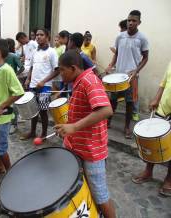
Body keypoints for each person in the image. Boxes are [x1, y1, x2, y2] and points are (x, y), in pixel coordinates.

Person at [55, 50, 116, 218]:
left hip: (91, 151)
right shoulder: (78, 81)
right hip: (77, 146)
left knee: (100, 195)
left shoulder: (89, 81)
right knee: (82, 186)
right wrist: (67, 128)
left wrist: (74, 127)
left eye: (62, 70)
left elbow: (106, 110)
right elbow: (83, 113)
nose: (60, 74)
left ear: (73, 68)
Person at [132, 59, 171, 197]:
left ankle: (169, 179)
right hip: (162, 110)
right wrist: (156, 98)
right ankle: (148, 171)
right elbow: (164, 83)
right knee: (152, 142)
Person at [106, 10, 149, 138]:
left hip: (132, 77)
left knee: (130, 103)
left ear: (139, 22)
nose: (130, 23)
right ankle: (108, 121)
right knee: (113, 100)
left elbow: (146, 57)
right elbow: (117, 53)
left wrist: (136, 71)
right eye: (129, 20)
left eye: (134, 21)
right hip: (117, 75)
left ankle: (126, 127)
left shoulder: (142, 38)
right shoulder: (120, 36)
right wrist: (111, 65)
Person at [0, 39, 24, 174]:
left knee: (0, 148)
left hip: (3, 116)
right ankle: (0, 167)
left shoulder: (7, 70)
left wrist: (2, 106)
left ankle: (10, 172)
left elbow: (19, 92)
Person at [21, 28, 59, 140]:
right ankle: (32, 132)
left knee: (43, 111)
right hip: (33, 85)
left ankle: (43, 134)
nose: (38, 36)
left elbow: (57, 70)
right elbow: (32, 67)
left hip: (45, 87)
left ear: (47, 37)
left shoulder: (52, 52)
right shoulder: (35, 52)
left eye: (41, 34)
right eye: (37, 35)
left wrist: (44, 81)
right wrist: (28, 79)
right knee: (33, 111)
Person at [5, 38, 24, 134]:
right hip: (4, 84)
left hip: (13, 84)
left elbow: (22, 67)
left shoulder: (13, 56)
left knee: (14, 104)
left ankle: (14, 124)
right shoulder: (1, 56)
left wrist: (15, 75)